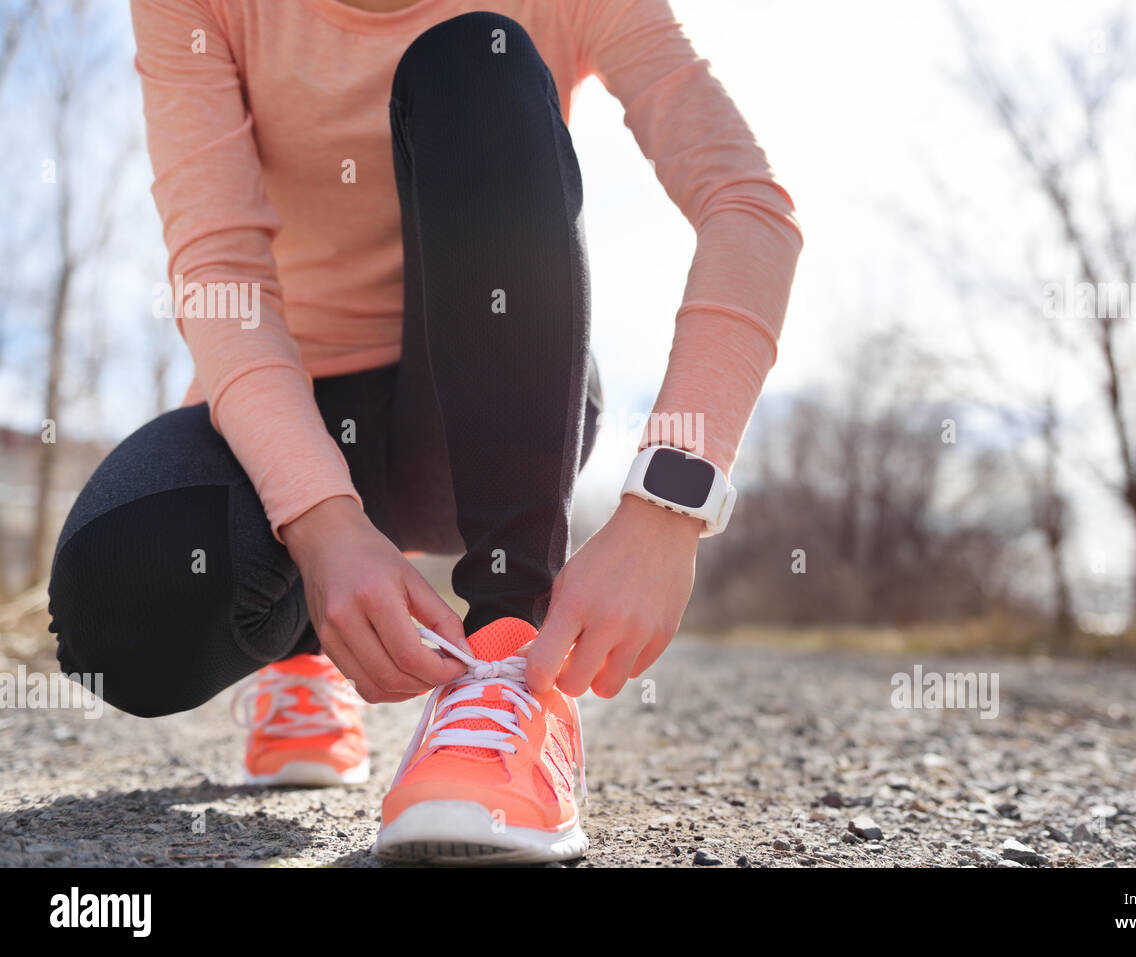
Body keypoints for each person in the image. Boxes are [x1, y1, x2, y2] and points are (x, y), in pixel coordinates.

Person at [47, 0, 801, 864]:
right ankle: (306, 651)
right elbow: (220, 271)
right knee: (120, 592)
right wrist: (321, 521)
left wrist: (667, 506)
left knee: (473, 58)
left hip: (467, 404)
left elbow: (748, 204)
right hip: (283, 417)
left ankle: (506, 661)